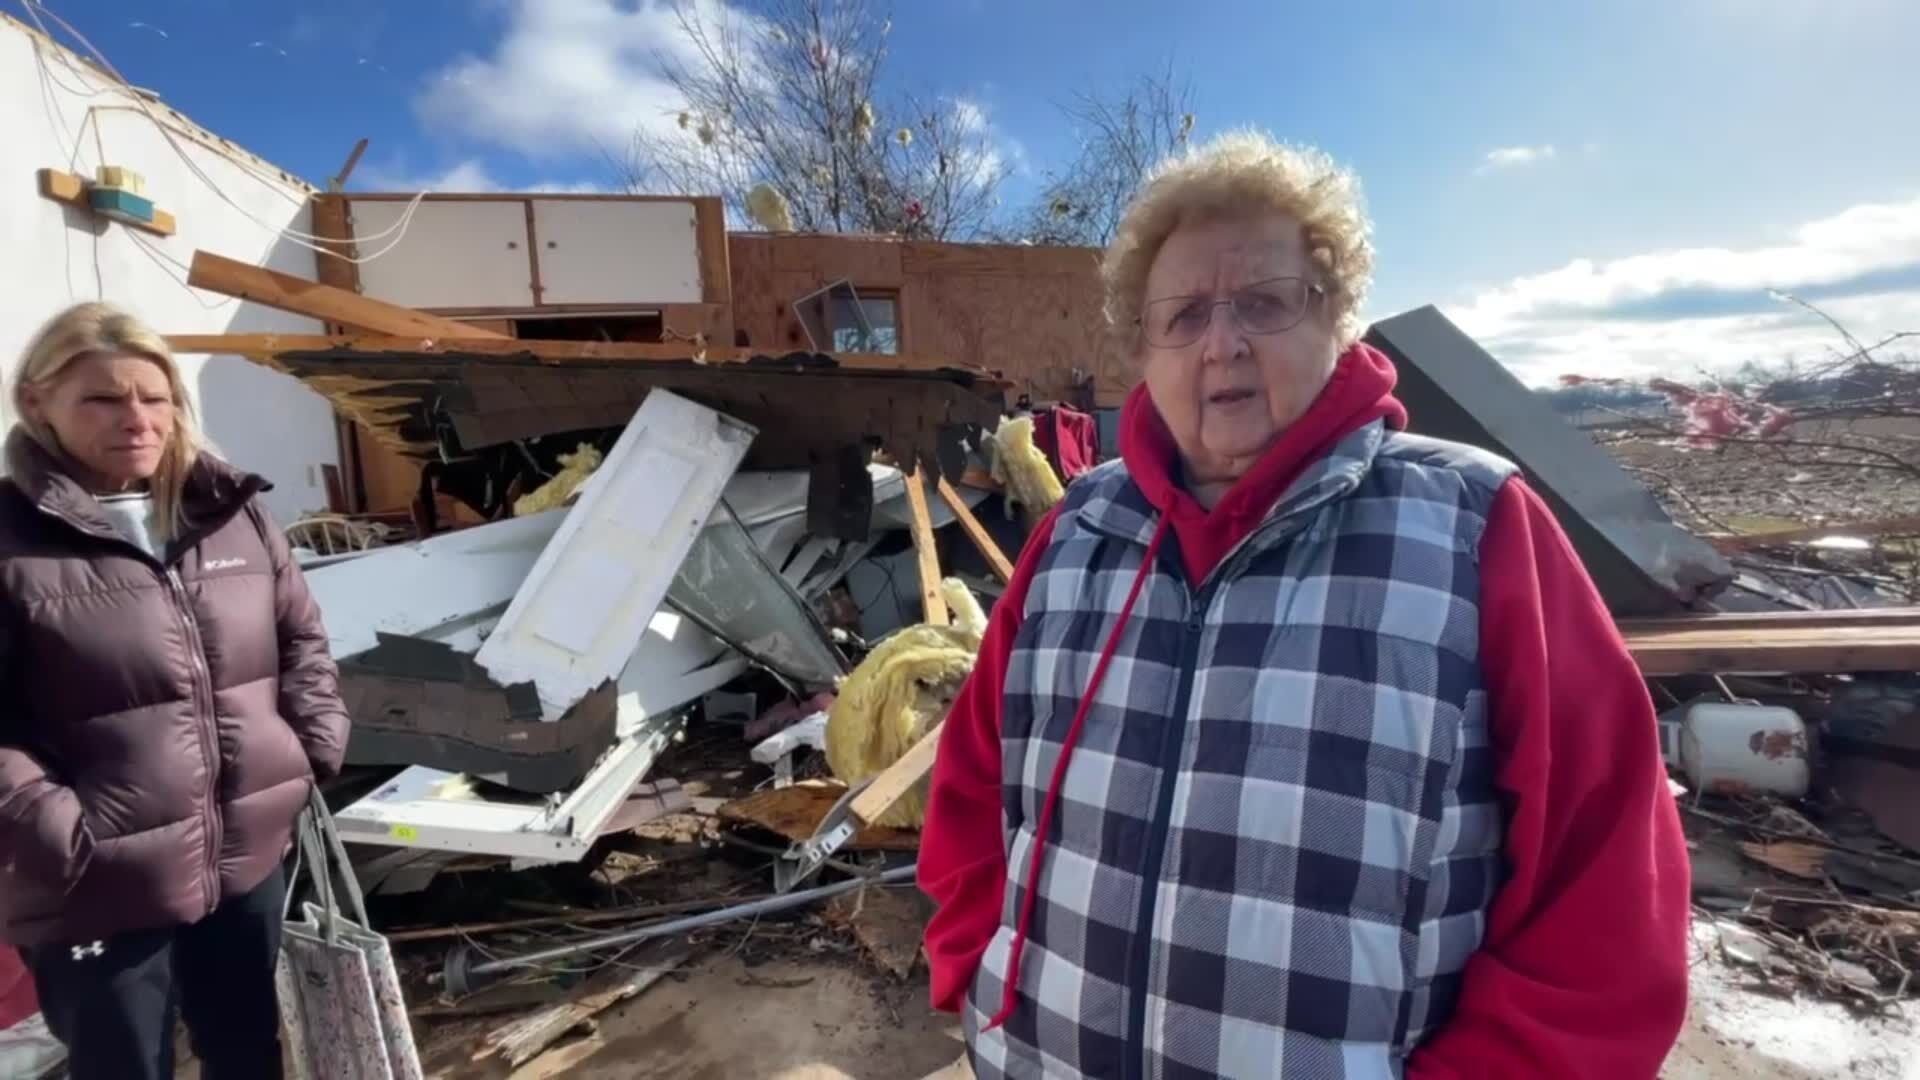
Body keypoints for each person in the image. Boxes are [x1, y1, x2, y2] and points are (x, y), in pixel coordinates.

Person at [918, 131, 1691, 1079]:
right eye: (1186, 313)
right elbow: (970, 788)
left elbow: (1605, 889)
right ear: (1142, 347)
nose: (1223, 341)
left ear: (1339, 321)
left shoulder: (1474, 526)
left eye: (1265, 303)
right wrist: (976, 972)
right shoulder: (1077, 531)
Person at [0, 302, 350, 1080]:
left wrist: (308, 749)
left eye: (154, 398)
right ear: (36, 403)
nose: (137, 418)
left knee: (246, 1053)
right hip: (96, 883)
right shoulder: (11, 537)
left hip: (244, 857)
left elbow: (302, 643)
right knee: (125, 1066)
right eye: (102, 398)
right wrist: (62, 832)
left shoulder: (230, 515)